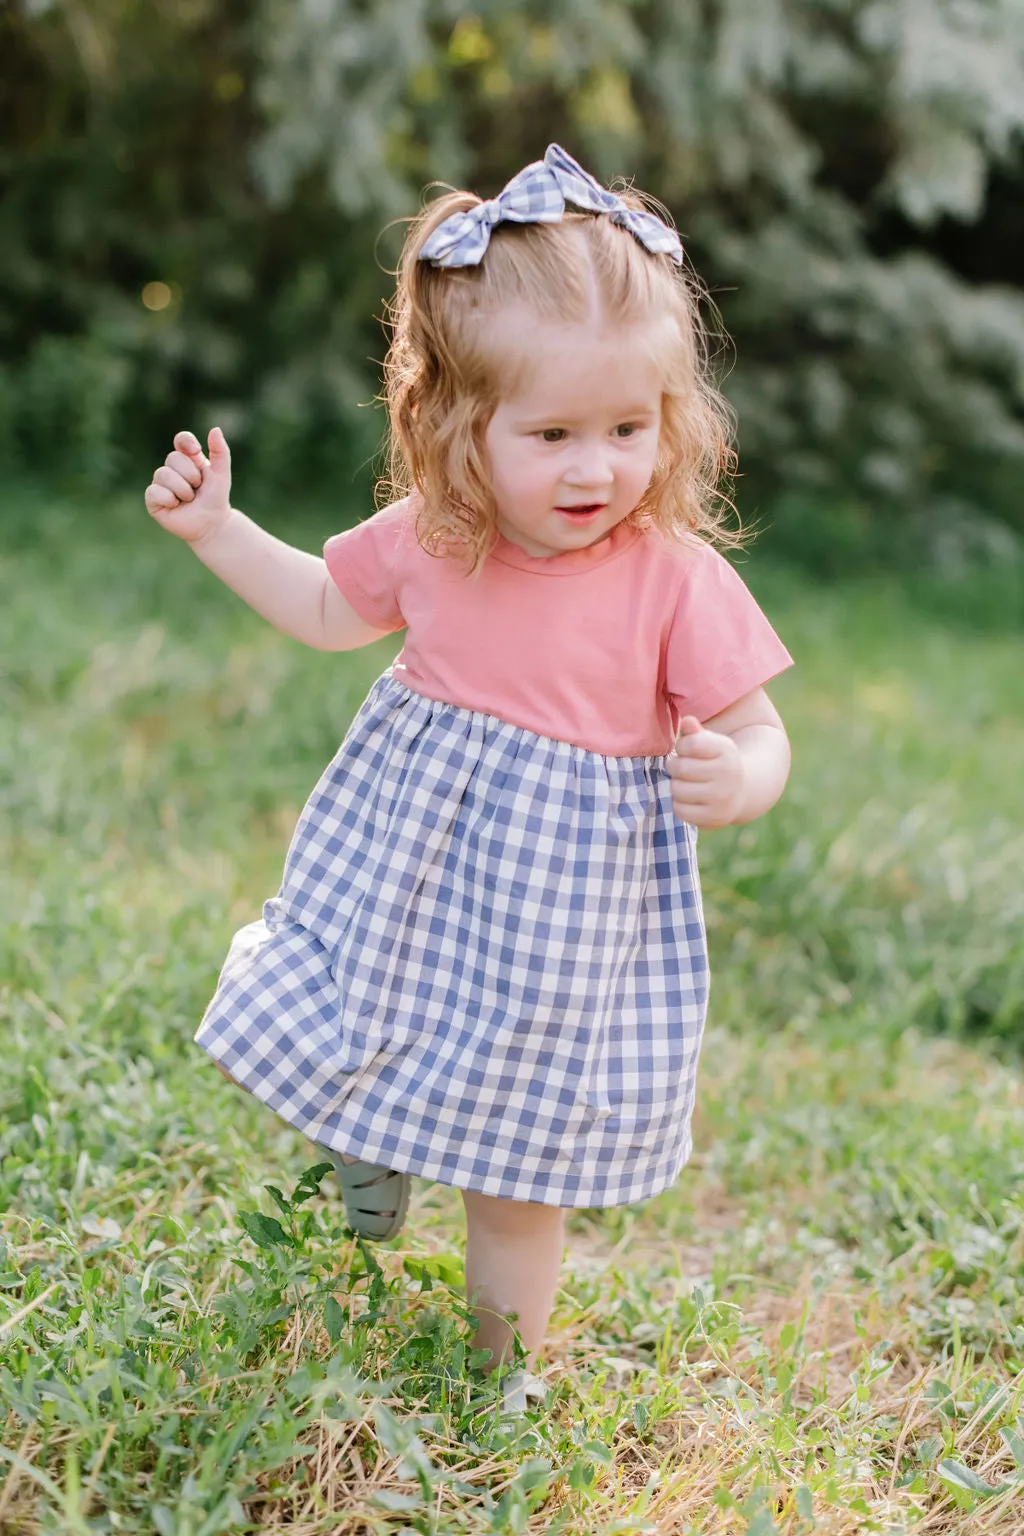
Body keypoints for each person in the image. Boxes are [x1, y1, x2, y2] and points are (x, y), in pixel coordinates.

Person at [144, 144, 793, 1411]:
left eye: (626, 428)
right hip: (414, 876)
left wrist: (743, 775)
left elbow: (757, 725)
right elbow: (331, 606)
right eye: (550, 433)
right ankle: (373, 1139)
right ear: (458, 424)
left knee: (522, 1168)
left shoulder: (674, 577)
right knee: (367, 1031)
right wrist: (219, 531)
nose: (593, 468)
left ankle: (500, 1383)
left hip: (566, 929)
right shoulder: (439, 537)